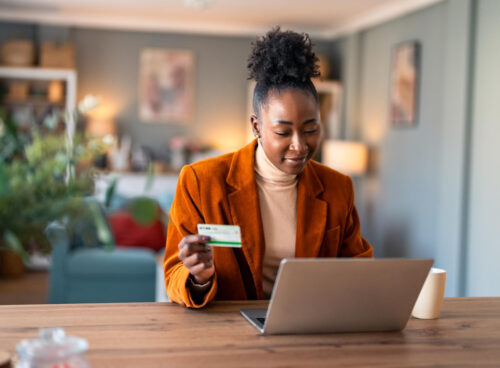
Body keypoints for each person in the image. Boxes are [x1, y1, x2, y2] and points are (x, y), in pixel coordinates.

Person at [163, 27, 373, 308]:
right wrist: (199, 276)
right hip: (230, 332)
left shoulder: (338, 187)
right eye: (283, 133)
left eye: (310, 129)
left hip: (309, 327)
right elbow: (173, 274)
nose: (299, 145)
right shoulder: (201, 181)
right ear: (256, 127)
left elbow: (358, 269)